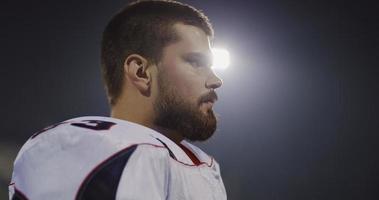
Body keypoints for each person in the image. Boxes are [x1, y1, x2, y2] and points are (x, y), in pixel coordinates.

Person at [9, 1, 227, 199]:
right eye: (196, 62)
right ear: (140, 72)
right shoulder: (90, 146)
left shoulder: (196, 161)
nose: (216, 80)